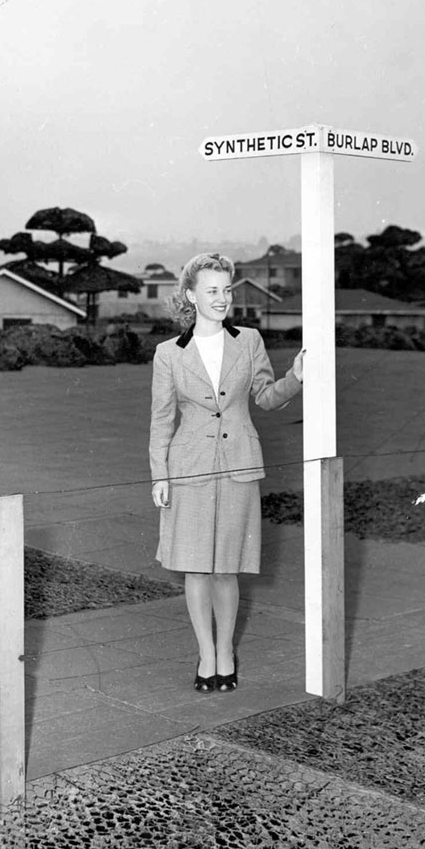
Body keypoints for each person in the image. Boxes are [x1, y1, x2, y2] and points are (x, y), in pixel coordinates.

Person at [149, 252, 304, 693]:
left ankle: (227, 651)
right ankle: (206, 653)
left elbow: (267, 397)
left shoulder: (249, 341)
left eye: (226, 290)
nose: (221, 299)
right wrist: (159, 475)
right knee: (196, 569)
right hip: (189, 470)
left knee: (227, 569)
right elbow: (162, 421)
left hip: (238, 466)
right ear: (190, 296)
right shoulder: (168, 354)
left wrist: (295, 376)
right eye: (212, 290)